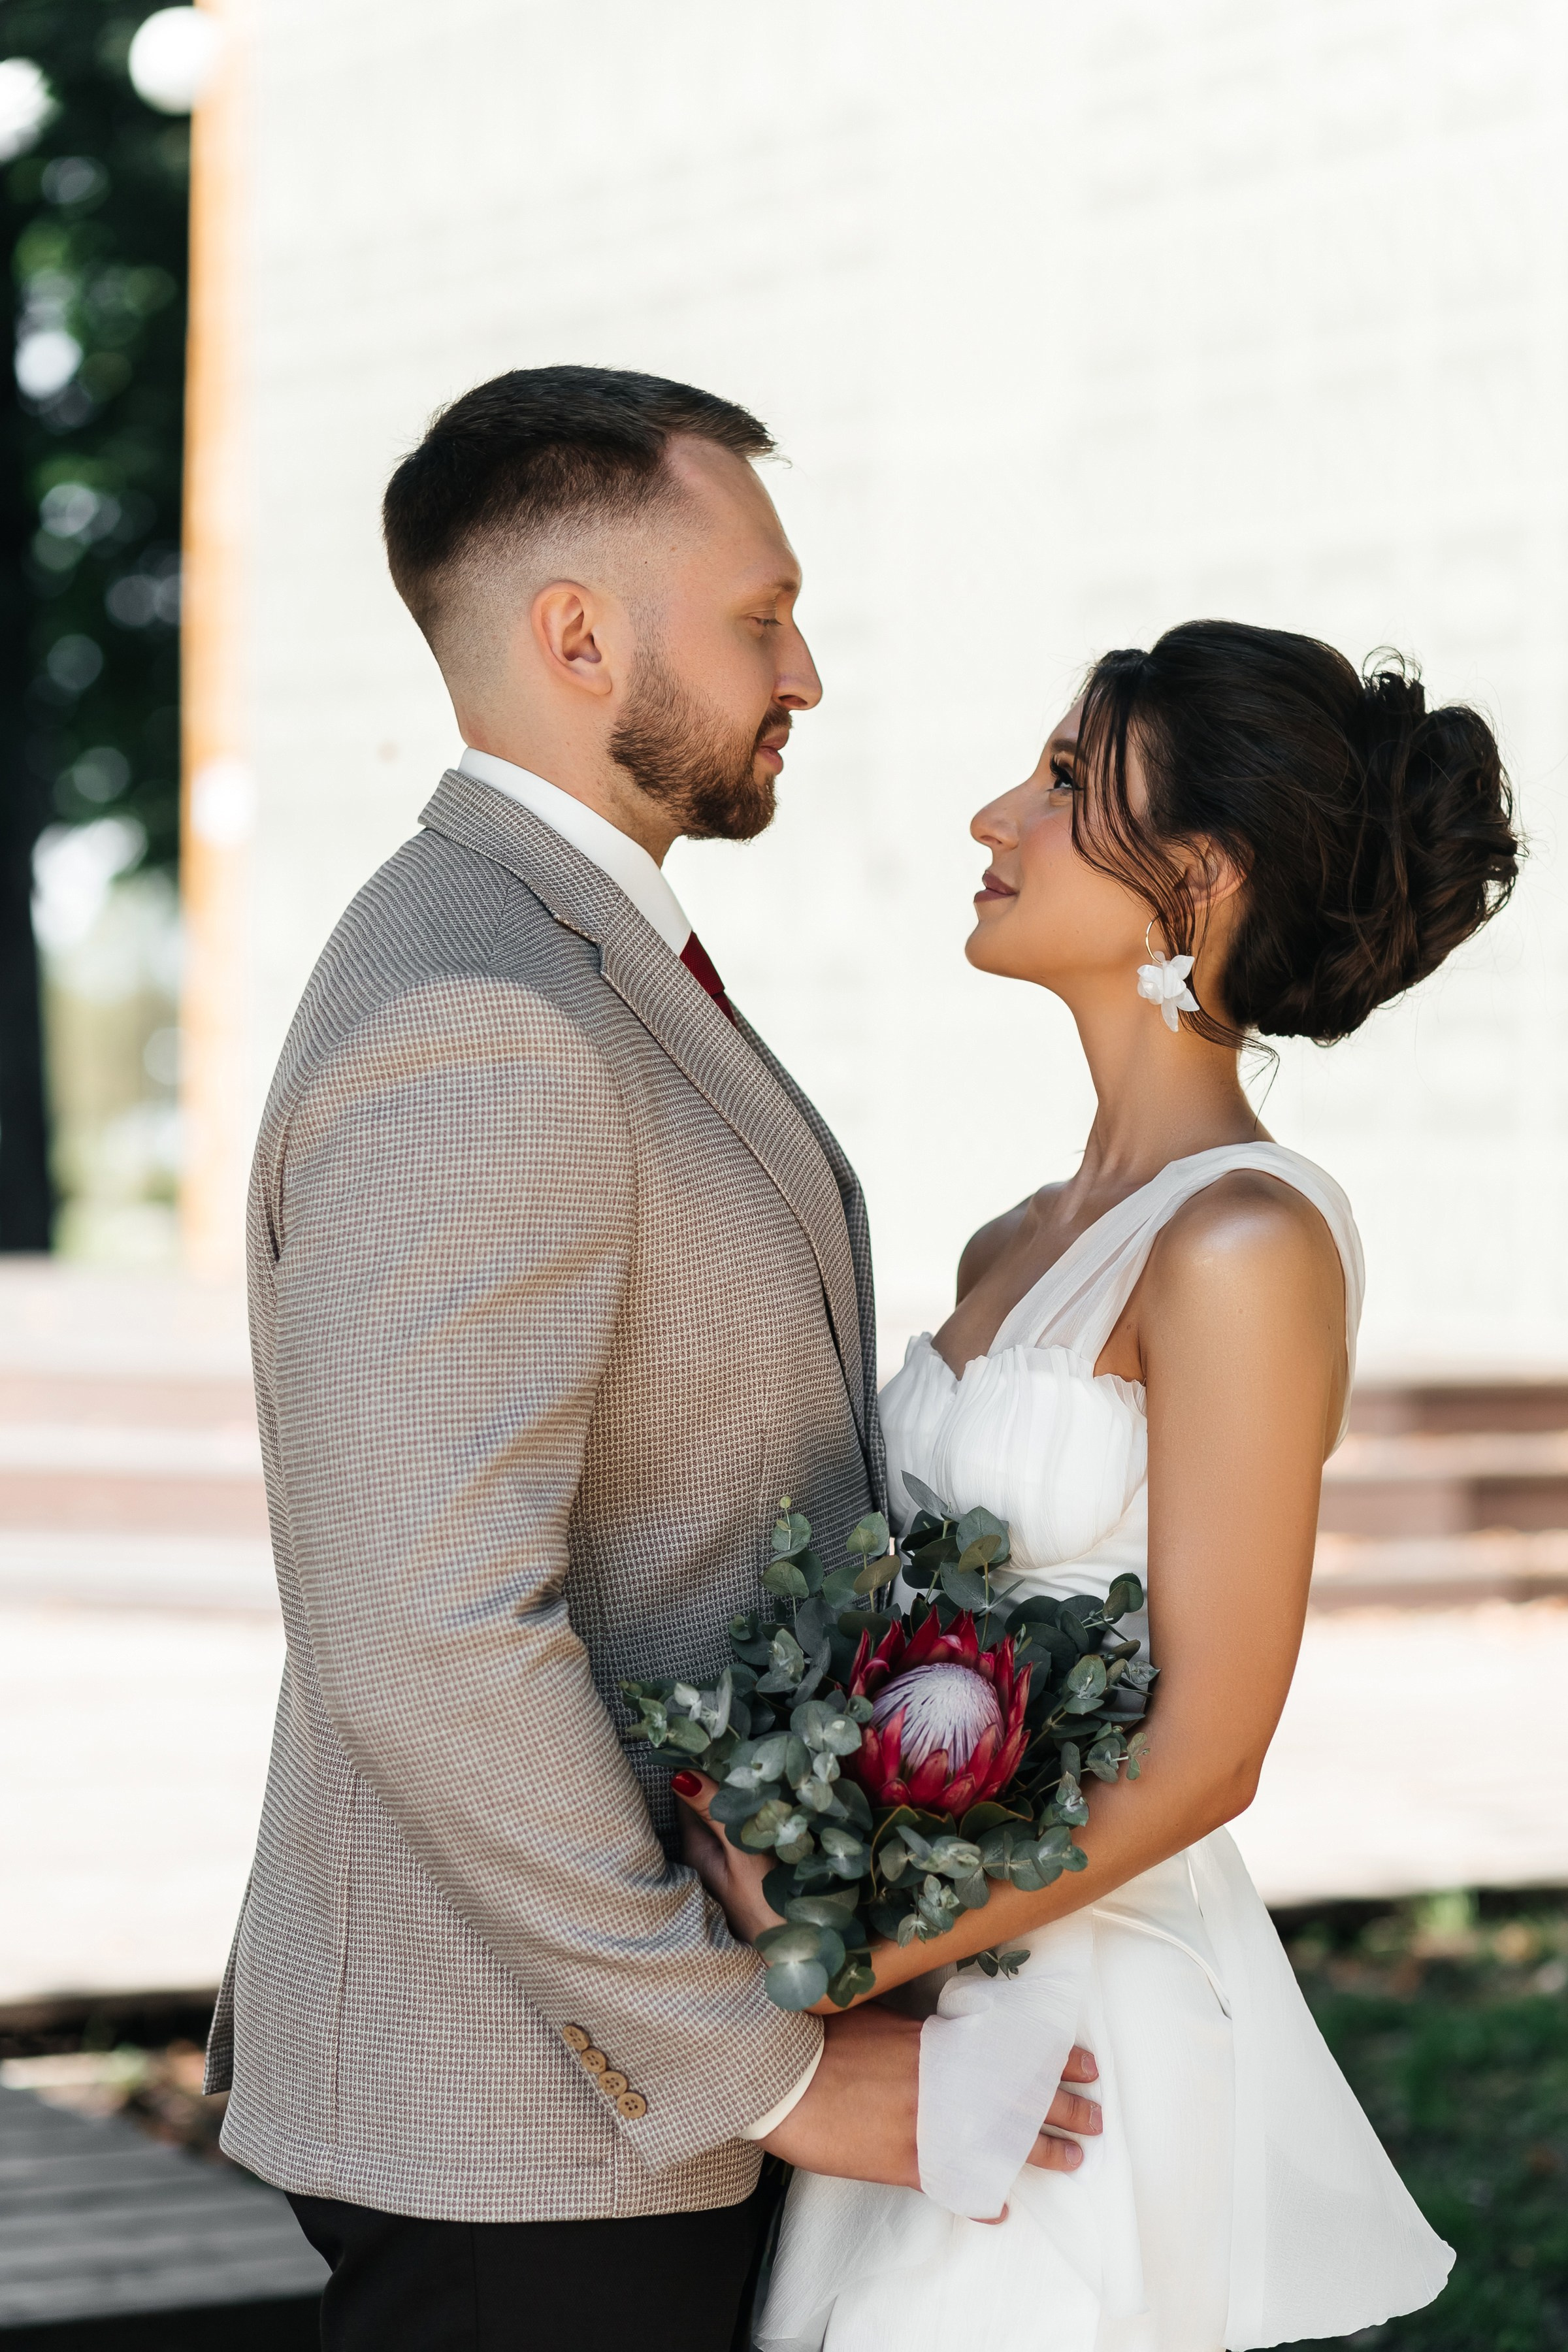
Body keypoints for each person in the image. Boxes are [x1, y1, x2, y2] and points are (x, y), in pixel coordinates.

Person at [202, 366, 1096, 2352]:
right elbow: (430, 1627)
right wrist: (761, 2074)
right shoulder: (482, 1008)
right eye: (763, 617)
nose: (807, 674)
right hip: (527, 2127)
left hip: (602, 2120)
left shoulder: (559, 947)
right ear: (579, 636)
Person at [678, 621, 1519, 2349]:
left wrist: (843, 1956)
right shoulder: (1008, 1244)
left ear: (1198, 882)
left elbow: (1210, 1747)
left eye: (1066, 782)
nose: (998, 817)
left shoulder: (1246, 1245)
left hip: (1079, 2033)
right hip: (929, 2017)